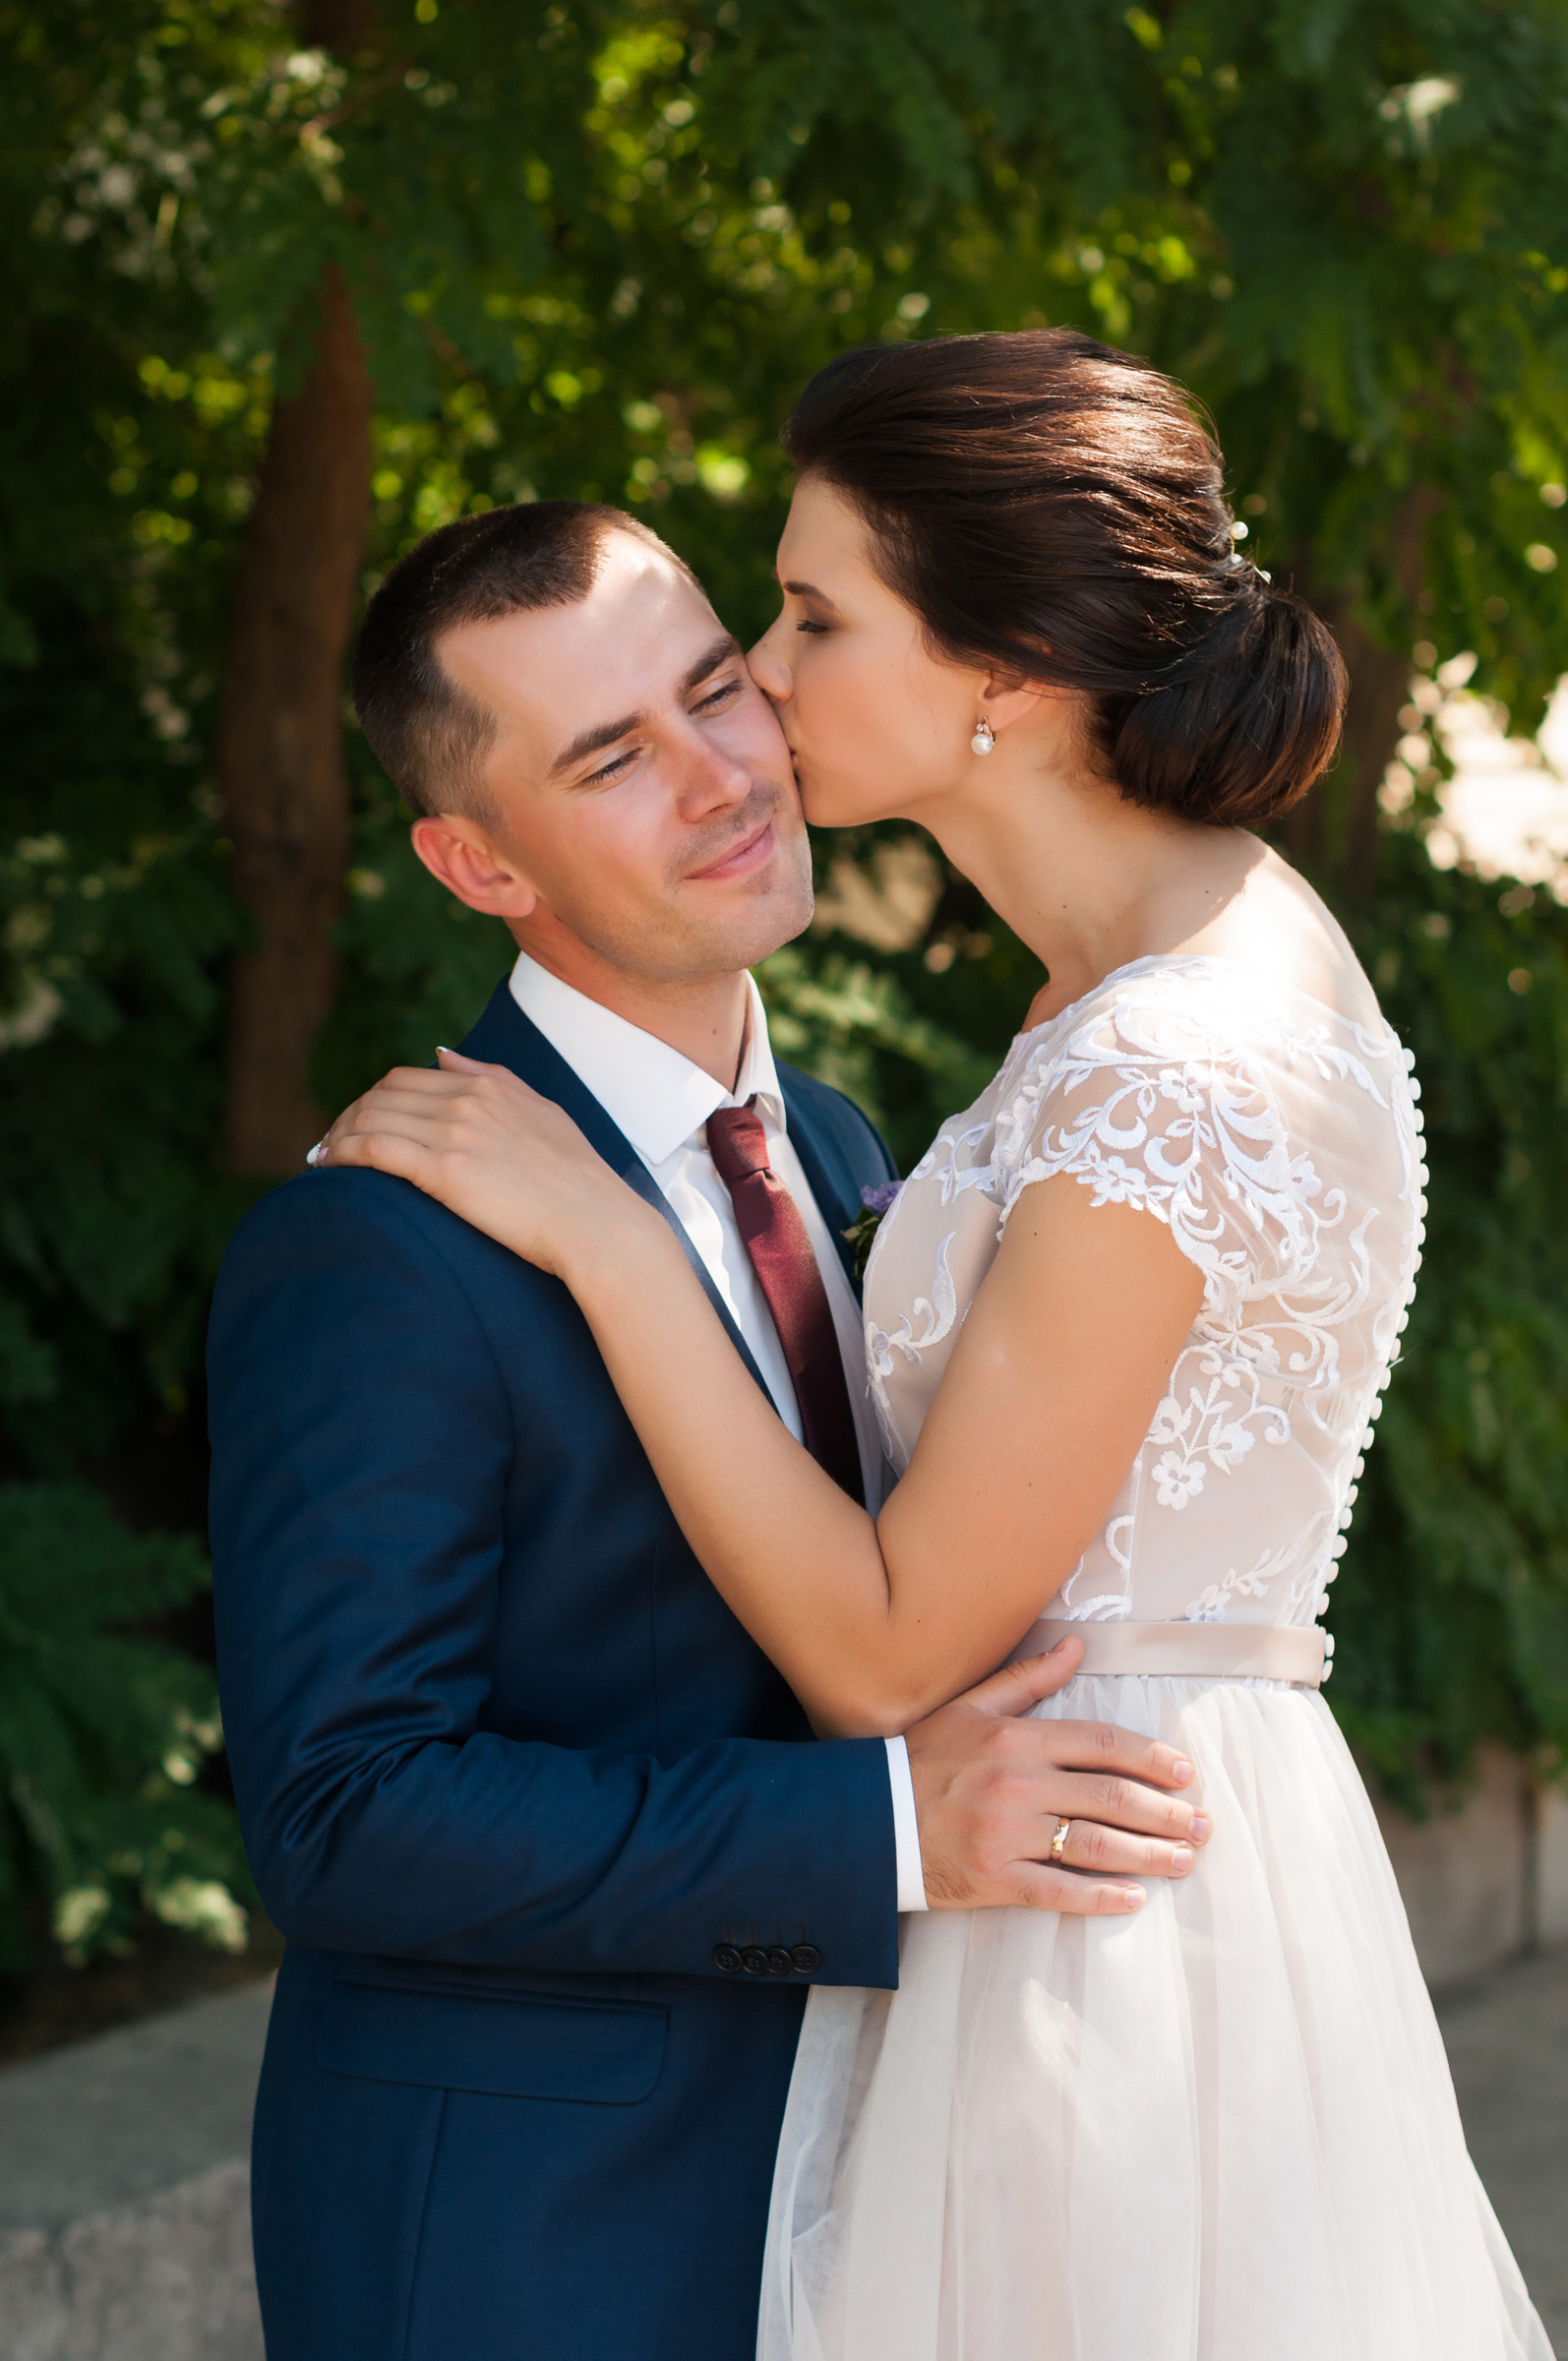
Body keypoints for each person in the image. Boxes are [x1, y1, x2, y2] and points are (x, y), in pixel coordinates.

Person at [319, 331, 1553, 2361]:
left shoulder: (1168, 1055)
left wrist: (603, 1245)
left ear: (995, 675)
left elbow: (892, 1651)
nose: (762, 690)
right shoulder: (1156, 979)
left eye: (807, 621)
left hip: (1091, 1926)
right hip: (1094, 1859)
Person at [207, 489, 1209, 2361]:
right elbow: (346, 1812)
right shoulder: (373, 1248)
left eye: (716, 689)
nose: (719, 775)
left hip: (871, 2175)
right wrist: (881, 1835)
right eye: (608, 757)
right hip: (536, 2236)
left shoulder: (832, 1146)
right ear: (477, 862)